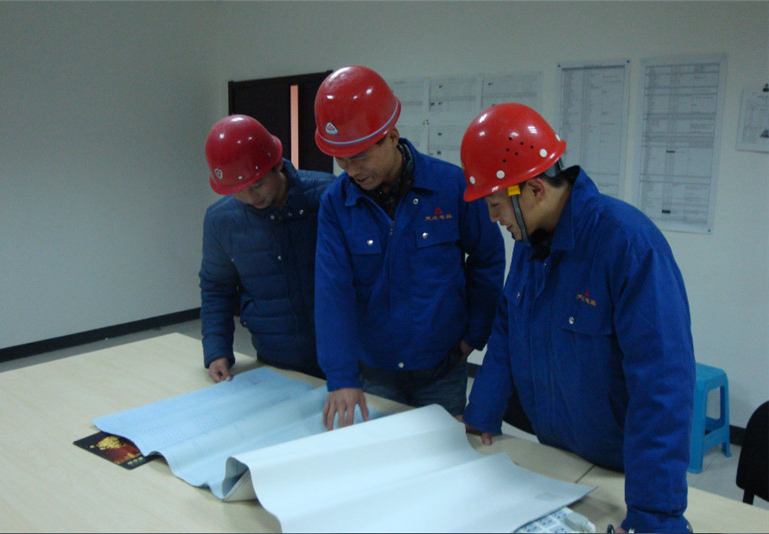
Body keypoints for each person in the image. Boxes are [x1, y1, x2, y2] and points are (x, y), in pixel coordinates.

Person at [460, 103, 695, 533]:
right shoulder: (530, 243)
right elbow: (508, 327)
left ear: (534, 189)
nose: (493, 218)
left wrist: (654, 516)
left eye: (495, 204)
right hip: (558, 459)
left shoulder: (627, 244)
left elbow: (662, 385)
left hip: (622, 472)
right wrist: (483, 411)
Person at [312, 66, 506, 430]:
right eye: (341, 159)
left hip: (442, 368)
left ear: (391, 137)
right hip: (375, 371)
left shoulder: (451, 186)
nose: (351, 171)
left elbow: (488, 258)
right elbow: (332, 291)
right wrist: (341, 377)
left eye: (359, 156)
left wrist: (473, 337)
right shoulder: (336, 204)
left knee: (444, 456)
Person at [199, 114, 334, 382]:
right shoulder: (221, 220)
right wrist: (217, 351)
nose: (250, 197)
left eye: (258, 184)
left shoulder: (327, 195)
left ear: (277, 165)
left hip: (345, 355)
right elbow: (216, 288)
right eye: (239, 190)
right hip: (276, 358)